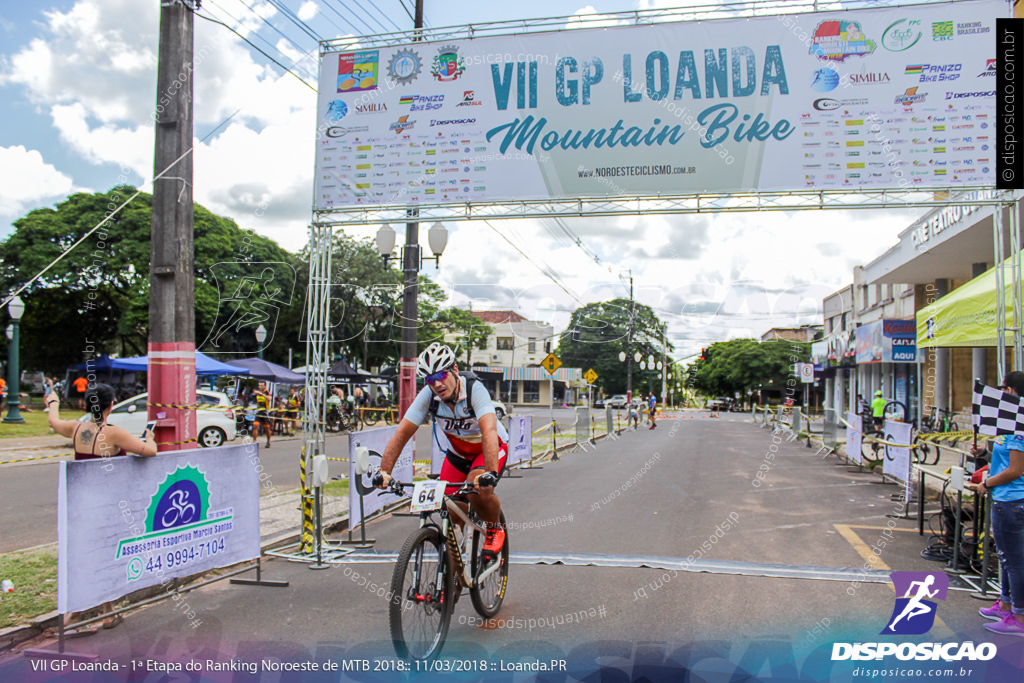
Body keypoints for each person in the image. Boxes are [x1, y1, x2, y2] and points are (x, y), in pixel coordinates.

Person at [375, 342, 508, 558]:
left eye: (440, 376)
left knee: (477, 486)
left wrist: (490, 472)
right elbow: (401, 435)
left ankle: (494, 528)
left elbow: (489, 431)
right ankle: (451, 582)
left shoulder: (475, 389)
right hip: (458, 454)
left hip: (489, 448)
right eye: (429, 380)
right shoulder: (428, 396)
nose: (436, 384)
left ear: (455, 370)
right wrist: (384, 471)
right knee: (449, 508)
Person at [44, 380, 156, 631]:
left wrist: (53, 403)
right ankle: (75, 616)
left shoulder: (75, 429)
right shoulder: (114, 433)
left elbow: (54, 422)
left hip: (81, 505)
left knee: (90, 557)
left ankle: (107, 612)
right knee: (105, 558)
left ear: (85, 404)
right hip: (109, 506)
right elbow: (148, 452)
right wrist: (151, 438)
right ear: (111, 406)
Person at [971, 371, 1024, 636]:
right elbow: (1005, 456)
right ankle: (1005, 605)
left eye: (1004, 388)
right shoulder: (1010, 422)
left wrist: (988, 483)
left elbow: (1015, 470)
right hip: (1006, 501)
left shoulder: (1019, 425)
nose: (1000, 392)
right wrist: (984, 453)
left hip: (1013, 502)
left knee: (1015, 562)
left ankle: (1019, 617)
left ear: (1013, 391)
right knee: (1006, 559)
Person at [252, 380, 273, 448]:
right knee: (255, 425)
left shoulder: (267, 392)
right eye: (259, 385)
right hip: (259, 412)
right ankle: (254, 441)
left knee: (266, 428)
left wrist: (262, 394)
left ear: (264, 386)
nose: (260, 387)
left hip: (265, 412)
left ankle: (268, 441)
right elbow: (257, 401)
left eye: (261, 385)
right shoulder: (257, 393)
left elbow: (269, 399)